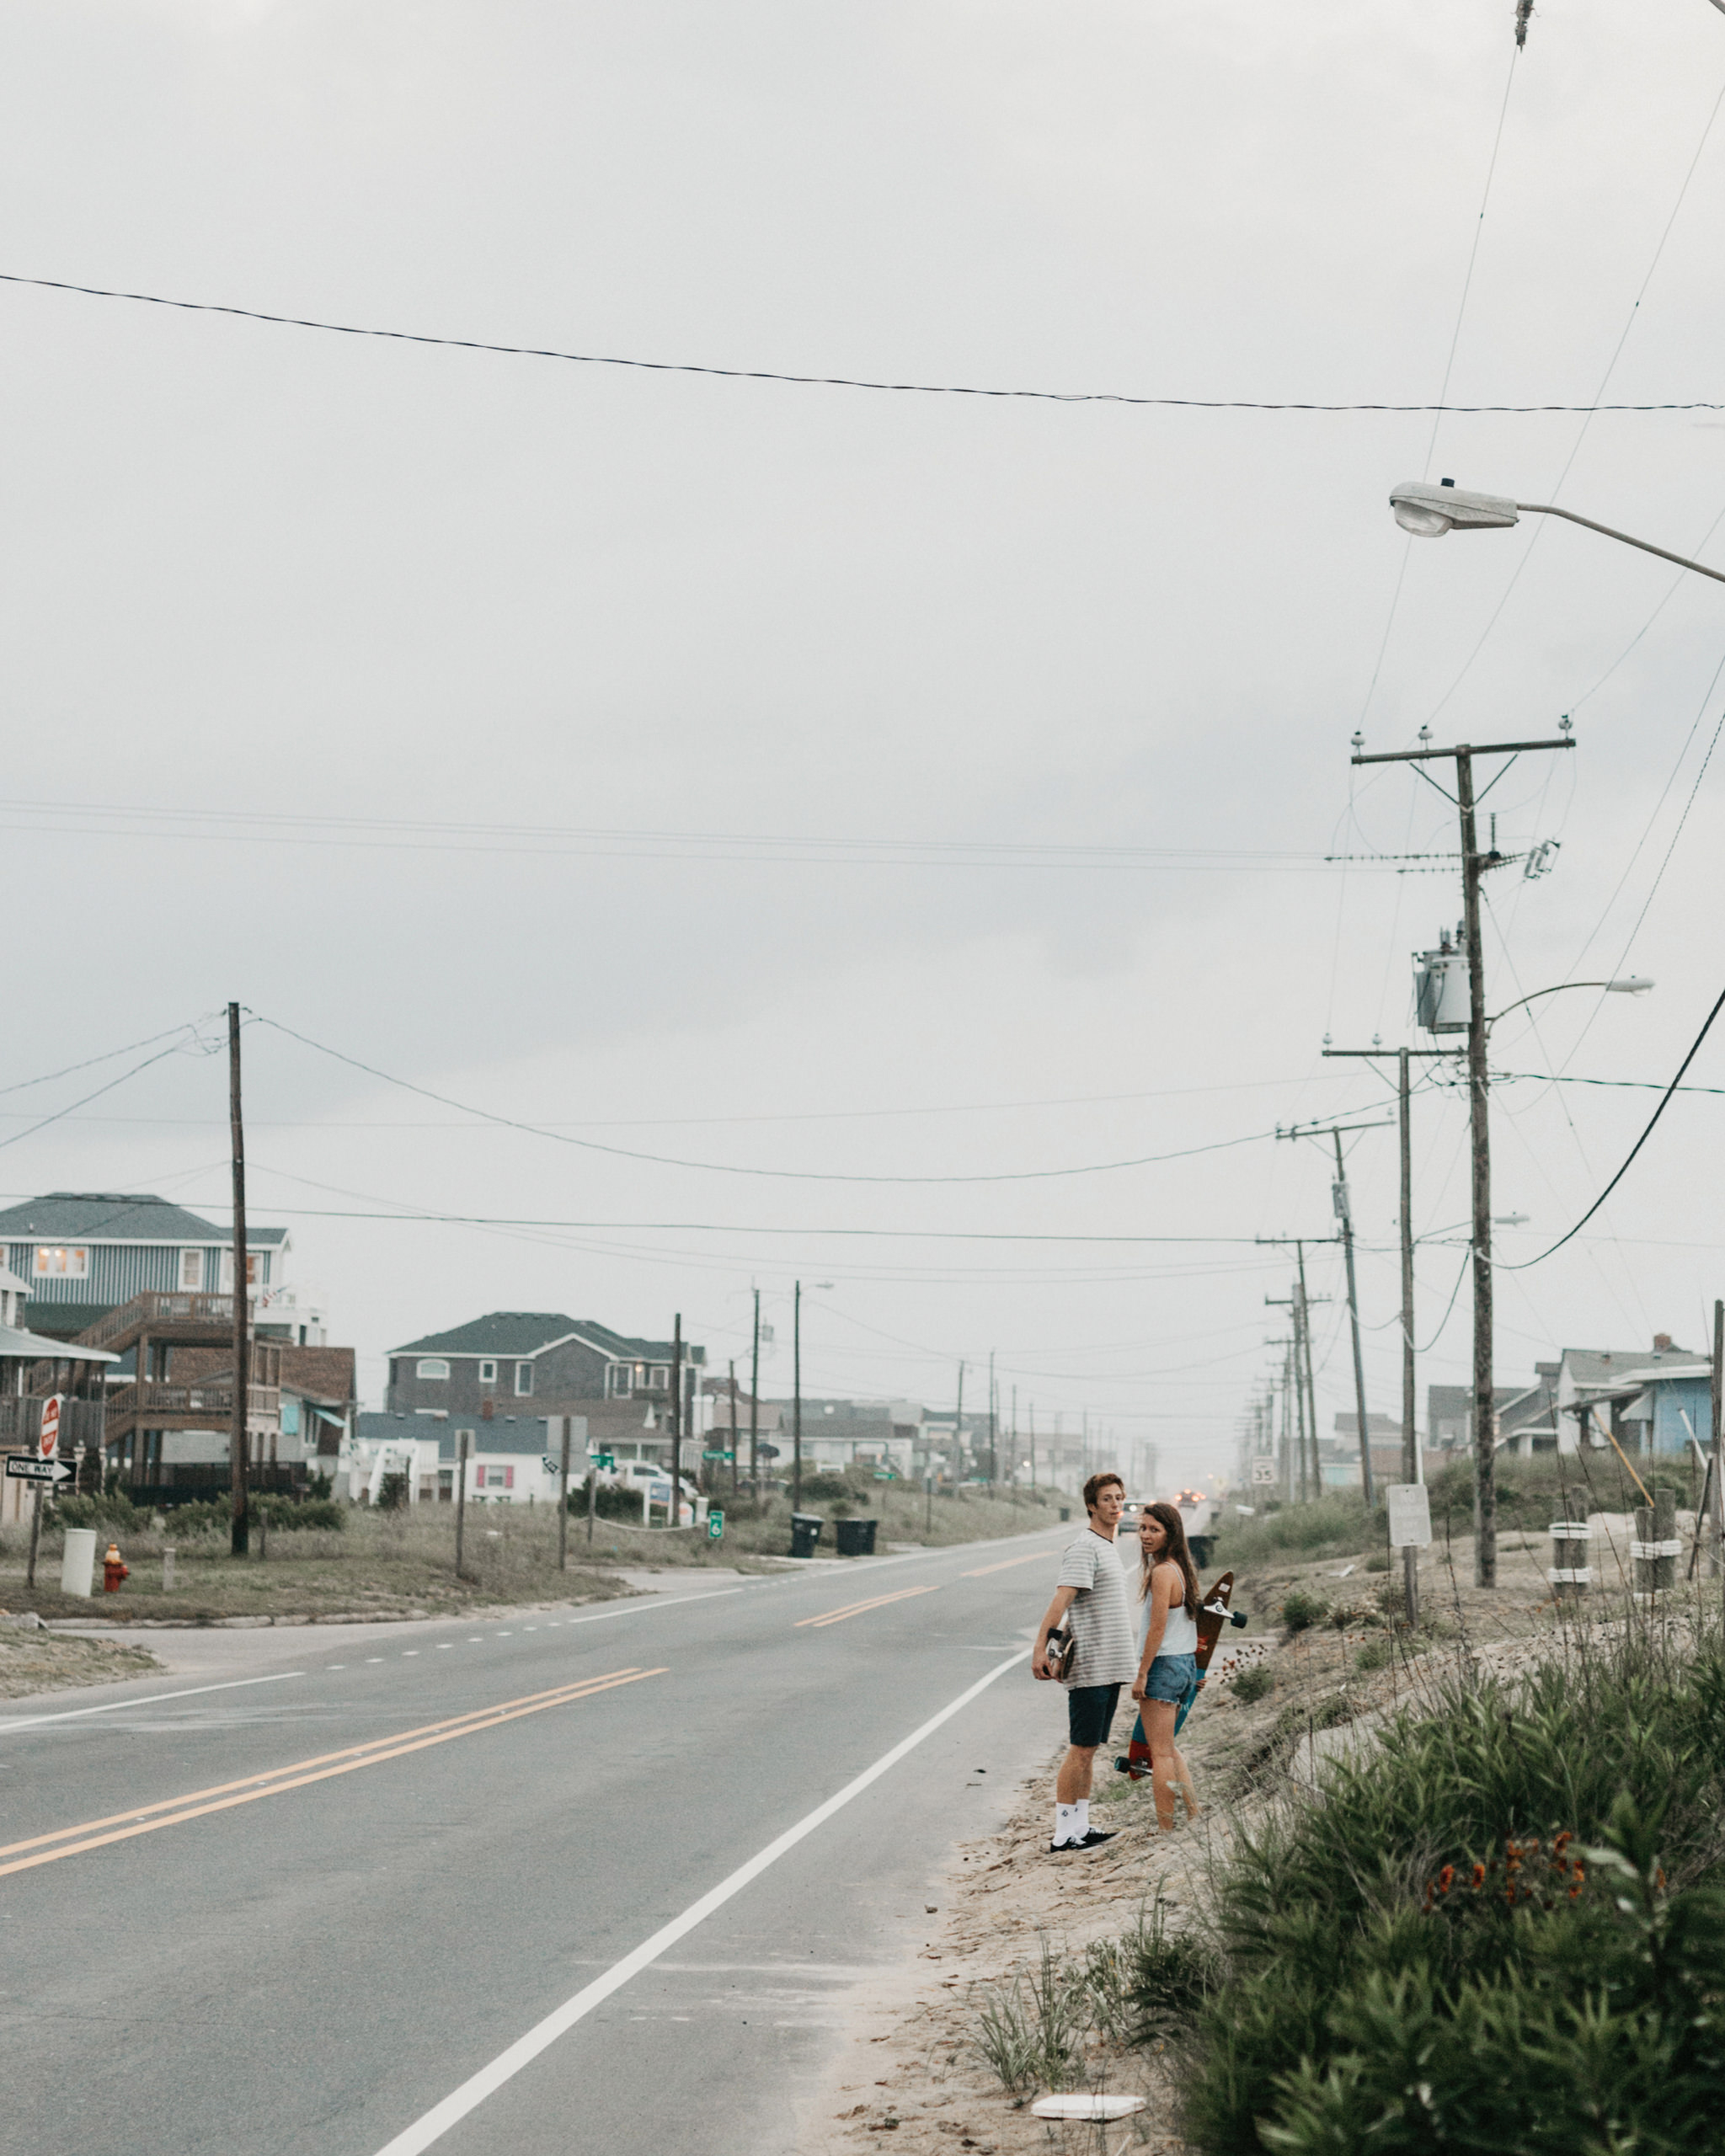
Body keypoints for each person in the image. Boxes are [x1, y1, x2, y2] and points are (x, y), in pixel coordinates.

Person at [1032, 1470, 1137, 1853]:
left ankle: (1081, 1825)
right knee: (1079, 1749)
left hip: (1111, 1664)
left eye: (1119, 1498)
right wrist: (1040, 1649)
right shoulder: (1085, 1547)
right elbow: (1060, 1602)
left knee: (1090, 1749)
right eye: (1107, 1499)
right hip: (1091, 1664)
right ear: (1091, 1505)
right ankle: (1063, 1834)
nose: (1115, 1505)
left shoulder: (1109, 1546)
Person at [1129, 1500, 1204, 1830]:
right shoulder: (1180, 1569)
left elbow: (1158, 1628)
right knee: (1169, 1749)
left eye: (1154, 1530)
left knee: (1159, 1754)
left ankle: (1166, 1827)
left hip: (1163, 1666)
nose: (1146, 1535)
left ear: (1169, 1534)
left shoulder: (1161, 1573)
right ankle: (1193, 1813)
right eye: (1143, 1527)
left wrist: (1142, 1673)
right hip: (1183, 1664)